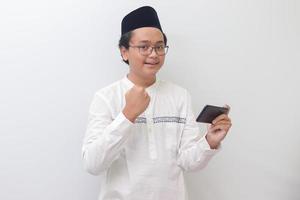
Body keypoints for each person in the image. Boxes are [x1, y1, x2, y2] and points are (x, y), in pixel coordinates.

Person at [82, 6, 232, 200]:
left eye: (159, 47)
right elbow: (93, 164)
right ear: (124, 52)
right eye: (144, 47)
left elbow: (187, 161)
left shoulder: (179, 96)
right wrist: (127, 116)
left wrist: (210, 140)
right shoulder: (106, 98)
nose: (153, 54)